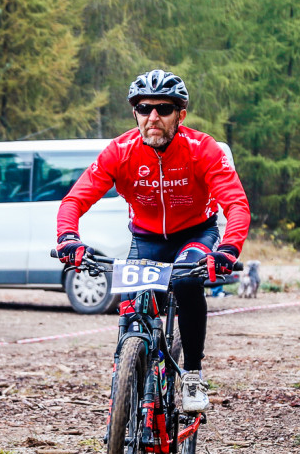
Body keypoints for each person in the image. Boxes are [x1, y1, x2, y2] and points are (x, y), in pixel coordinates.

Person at [55, 69, 250, 414]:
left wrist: (228, 249)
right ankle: (130, 376)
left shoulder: (201, 149)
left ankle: (192, 372)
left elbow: (235, 204)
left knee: (188, 283)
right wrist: (69, 238)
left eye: (163, 108)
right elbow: (75, 200)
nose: (153, 117)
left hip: (195, 234)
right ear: (135, 113)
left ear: (180, 115)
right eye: (145, 109)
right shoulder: (120, 151)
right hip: (146, 240)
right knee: (135, 310)